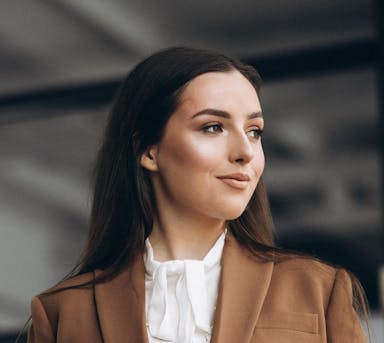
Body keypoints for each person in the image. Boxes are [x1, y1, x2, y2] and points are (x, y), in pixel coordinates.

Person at [26, 47, 369, 342]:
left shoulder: (317, 289)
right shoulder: (63, 313)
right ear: (149, 151)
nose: (245, 152)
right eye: (213, 127)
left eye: (254, 131)